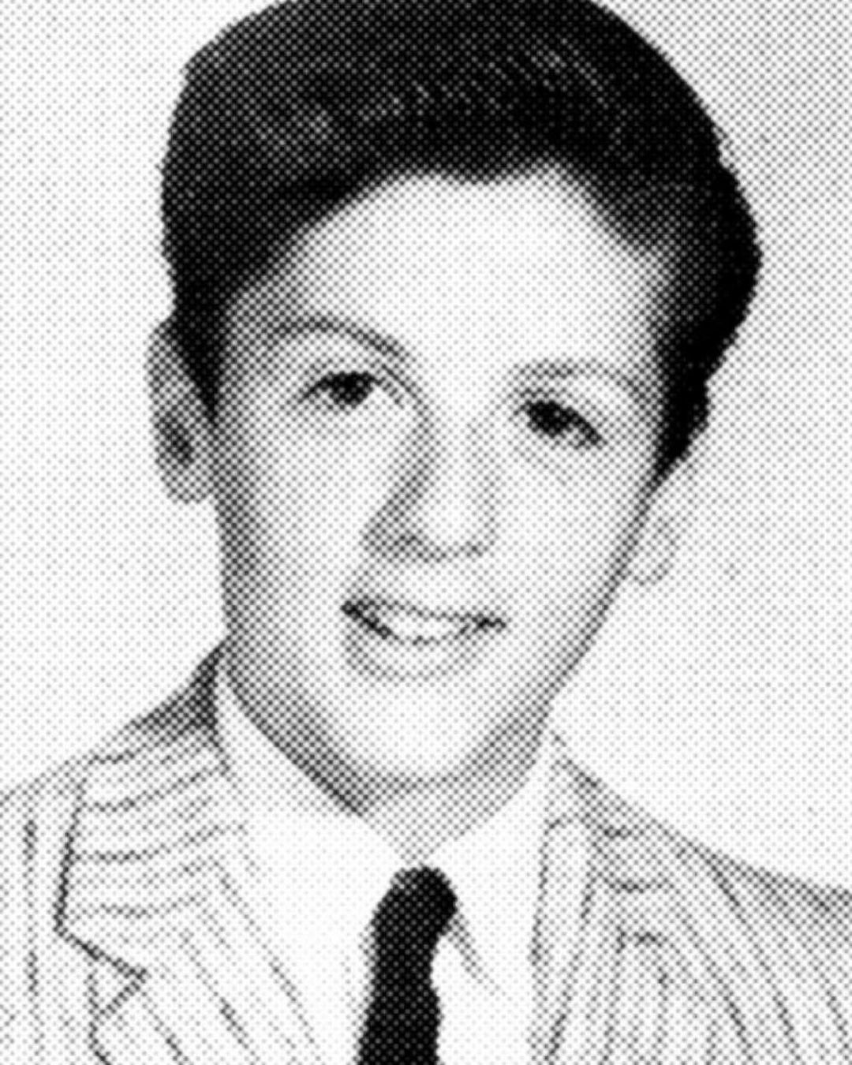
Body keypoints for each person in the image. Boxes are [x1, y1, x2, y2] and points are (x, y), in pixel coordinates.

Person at [1, 1, 849, 1062]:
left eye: (555, 419)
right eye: (352, 390)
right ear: (186, 422)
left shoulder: (826, 996)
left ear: (661, 498)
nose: (443, 518)